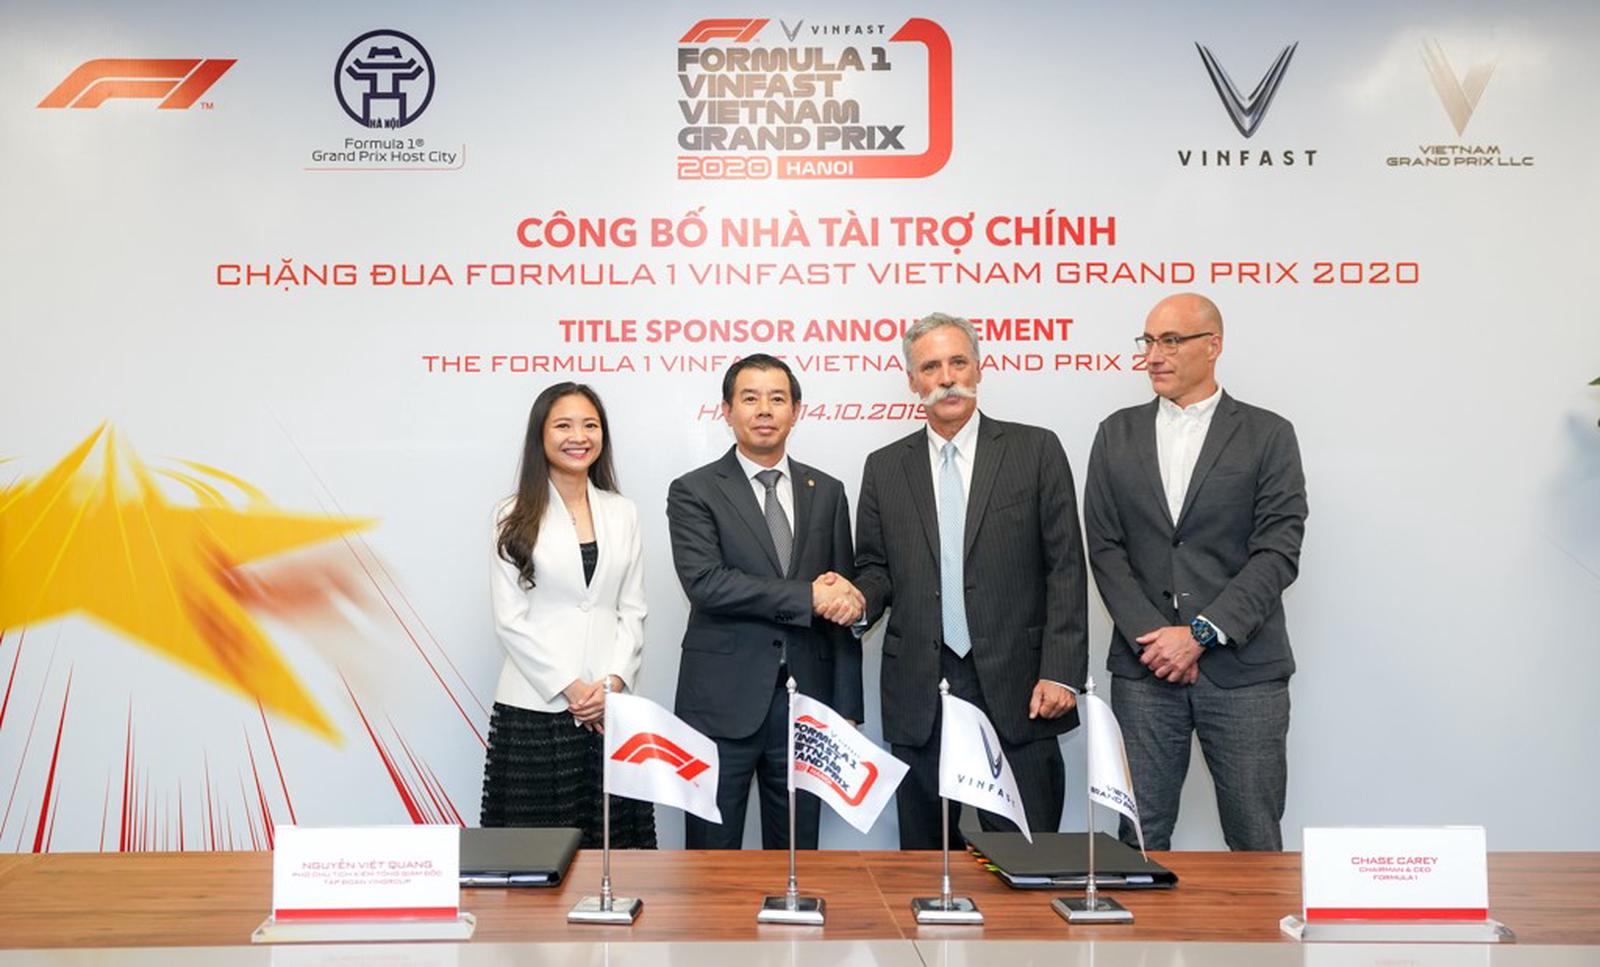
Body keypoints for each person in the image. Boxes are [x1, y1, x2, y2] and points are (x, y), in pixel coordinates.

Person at [854, 313, 1088, 849]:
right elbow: (875, 569)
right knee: (926, 861)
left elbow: (1066, 568)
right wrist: (856, 599)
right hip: (920, 689)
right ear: (912, 381)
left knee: (1029, 856)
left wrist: (1061, 671)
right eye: (930, 367)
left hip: (1022, 687)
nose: (946, 378)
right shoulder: (884, 467)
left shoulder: (1036, 450)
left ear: (979, 369)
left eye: (958, 362)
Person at [1083, 292, 1307, 851]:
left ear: (1213, 346)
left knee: (1255, 840)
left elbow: (1278, 550)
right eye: (1148, 341)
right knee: (1137, 841)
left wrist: (1201, 634)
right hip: (1146, 672)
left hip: (1244, 673)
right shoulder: (1116, 433)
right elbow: (1105, 548)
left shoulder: (1268, 434)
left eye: (1171, 341)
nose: (1154, 355)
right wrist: (1157, 641)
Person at [669, 354, 864, 849]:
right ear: (727, 410)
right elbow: (707, 584)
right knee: (711, 858)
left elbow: (839, 597)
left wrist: (847, 705)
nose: (764, 410)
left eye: (777, 399)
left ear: (796, 411)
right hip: (720, 703)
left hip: (806, 703)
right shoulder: (693, 491)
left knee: (796, 854)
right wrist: (807, 596)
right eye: (750, 398)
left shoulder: (828, 491)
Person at [480, 382, 656, 848]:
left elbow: (633, 608)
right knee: (532, 854)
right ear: (540, 436)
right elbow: (510, 620)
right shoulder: (511, 514)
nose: (578, 437)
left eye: (590, 425)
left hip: (611, 708)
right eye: (563, 425)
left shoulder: (623, 512)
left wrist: (612, 683)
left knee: (615, 849)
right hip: (536, 708)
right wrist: (573, 689)